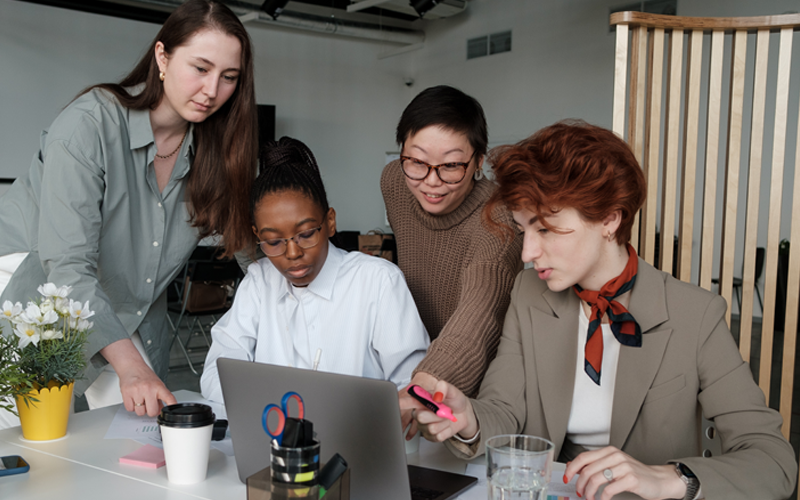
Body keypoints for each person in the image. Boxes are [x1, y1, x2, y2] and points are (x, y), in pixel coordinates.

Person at [410, 121, 797, 500]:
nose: (527, 253)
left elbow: (774, 460)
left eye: (545, 229)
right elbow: (504, 410)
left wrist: (668, 478)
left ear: (610, 219)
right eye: (522, 229)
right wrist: (468, 419)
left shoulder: (695, 314)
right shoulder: (529, 291)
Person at [0, 0, 257, 428]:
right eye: (200, 68)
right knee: (32, 449)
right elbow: (67, 267)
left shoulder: (218, 154)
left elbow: (253, 256)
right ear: (162, 56)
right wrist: (131, 368)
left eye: (229, 77)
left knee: (132, 444)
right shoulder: (90, 125)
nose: (212, 90)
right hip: (37, 296)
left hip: (130, 307)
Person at [200, 137, 430, 404]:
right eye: (273, 242)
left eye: (306, 234)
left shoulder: (378, 281)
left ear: (330, 222)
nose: (293, 253)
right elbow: (217, 373)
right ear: (257, 235)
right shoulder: (259, 282)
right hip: (275, 436)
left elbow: (411, 383)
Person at [381, 86, 523, 434]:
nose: (432, 181)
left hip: (468, 391)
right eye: (417, 161)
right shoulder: (395, 182)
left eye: (451, 166)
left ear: (478, 161)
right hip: (408, 370)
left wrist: (424, 386)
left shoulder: (498, 218)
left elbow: (480, 314)